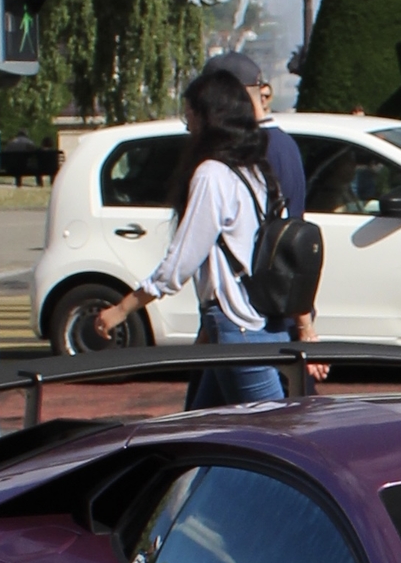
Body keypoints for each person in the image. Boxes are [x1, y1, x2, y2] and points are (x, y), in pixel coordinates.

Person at [90, 68, 285, 409]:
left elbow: (179, 263)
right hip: (257, 321)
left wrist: (121, 310)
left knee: (276, 438)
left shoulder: (212, 174)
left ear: (209, 118)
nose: (186, 124)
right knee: (206, 432)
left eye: (190, 114)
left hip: (236, 327)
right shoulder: (256, 171)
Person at [200, 51, 320, 356]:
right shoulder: (283, 143)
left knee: (271, 402)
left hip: (258, 313)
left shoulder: (253, 148)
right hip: (267, 307)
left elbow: (285, 237)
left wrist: (303, 323)